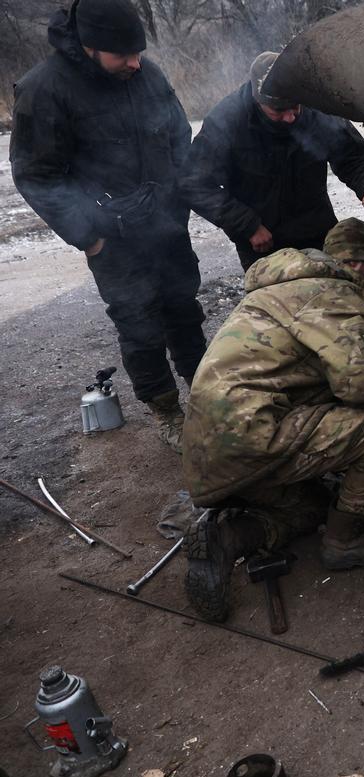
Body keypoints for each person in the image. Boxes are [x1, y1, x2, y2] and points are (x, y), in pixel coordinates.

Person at [180, 218, 364, 622]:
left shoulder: (277, 290)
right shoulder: (333, 291)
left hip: (209, 455)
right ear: (360, 263)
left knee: (311, 511)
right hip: (254, 436)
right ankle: (346, 544)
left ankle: (229, 538)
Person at [9, 0, 205, 452]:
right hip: (110, 236)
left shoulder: (146, 74)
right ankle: (168, 413)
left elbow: (179, 135)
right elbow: (35, 175)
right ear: (90, 46)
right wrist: (87, 235)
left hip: (164, 222)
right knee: (139, 324)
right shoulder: (46, 89)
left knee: (183, 308)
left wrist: (178, 201)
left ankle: (207, 393)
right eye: (124, 55)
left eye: (139, 52)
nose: (136, 63)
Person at [180, 51, 364, 271]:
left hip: (317, 231)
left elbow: (351, 155)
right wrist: (247, 226)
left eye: (295, 107)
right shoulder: (228, 120)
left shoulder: (314, 107)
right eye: (279, 110)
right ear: (258, 100)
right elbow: (194, 183)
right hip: (262, 242)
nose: (291, 116)